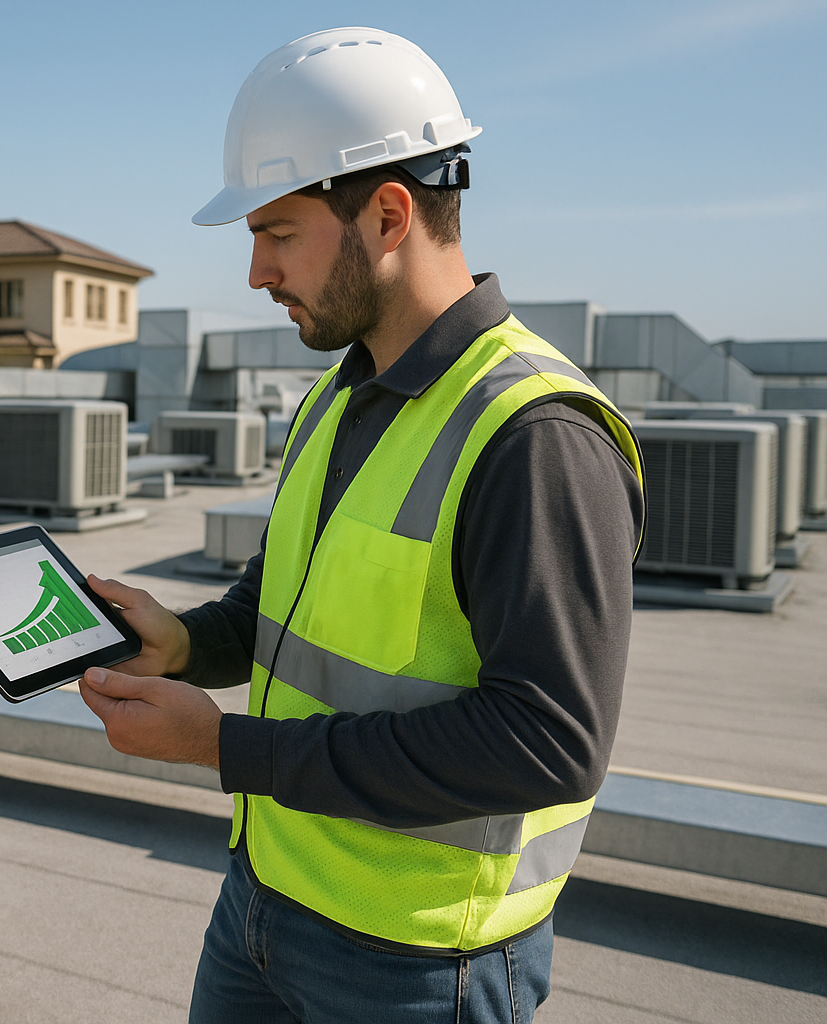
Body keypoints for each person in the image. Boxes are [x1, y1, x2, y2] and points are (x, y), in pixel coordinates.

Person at [77, 26, 645, 1024]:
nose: (256, 272)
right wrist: (188, 640)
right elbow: (287, 605)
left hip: (421, 963)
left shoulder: (535, 436)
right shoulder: (341, 396)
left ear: (388, 215)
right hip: (263, 901)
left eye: (278, 232)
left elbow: (548, 742)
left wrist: (228, 750)